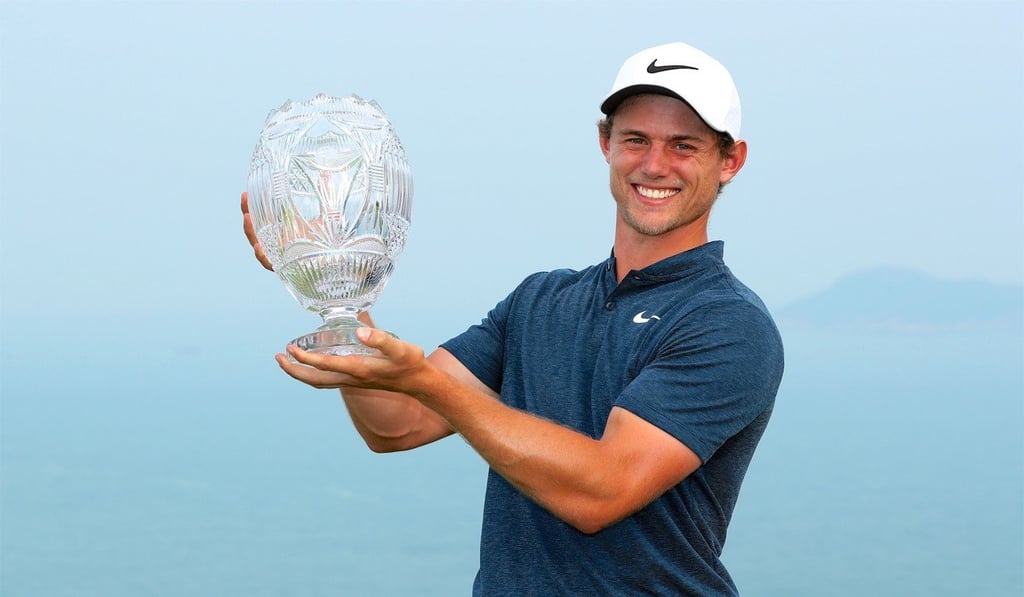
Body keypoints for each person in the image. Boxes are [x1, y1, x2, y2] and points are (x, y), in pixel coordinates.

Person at [241, 41, 784, 596]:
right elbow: (397, 425)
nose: (654, 165)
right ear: (606, 143)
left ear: (731, 160)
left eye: (683, 145)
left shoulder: (728, 324)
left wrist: (426, 381)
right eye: (636, 139)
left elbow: (602, 492)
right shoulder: (541, 300)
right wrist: (336, 285)